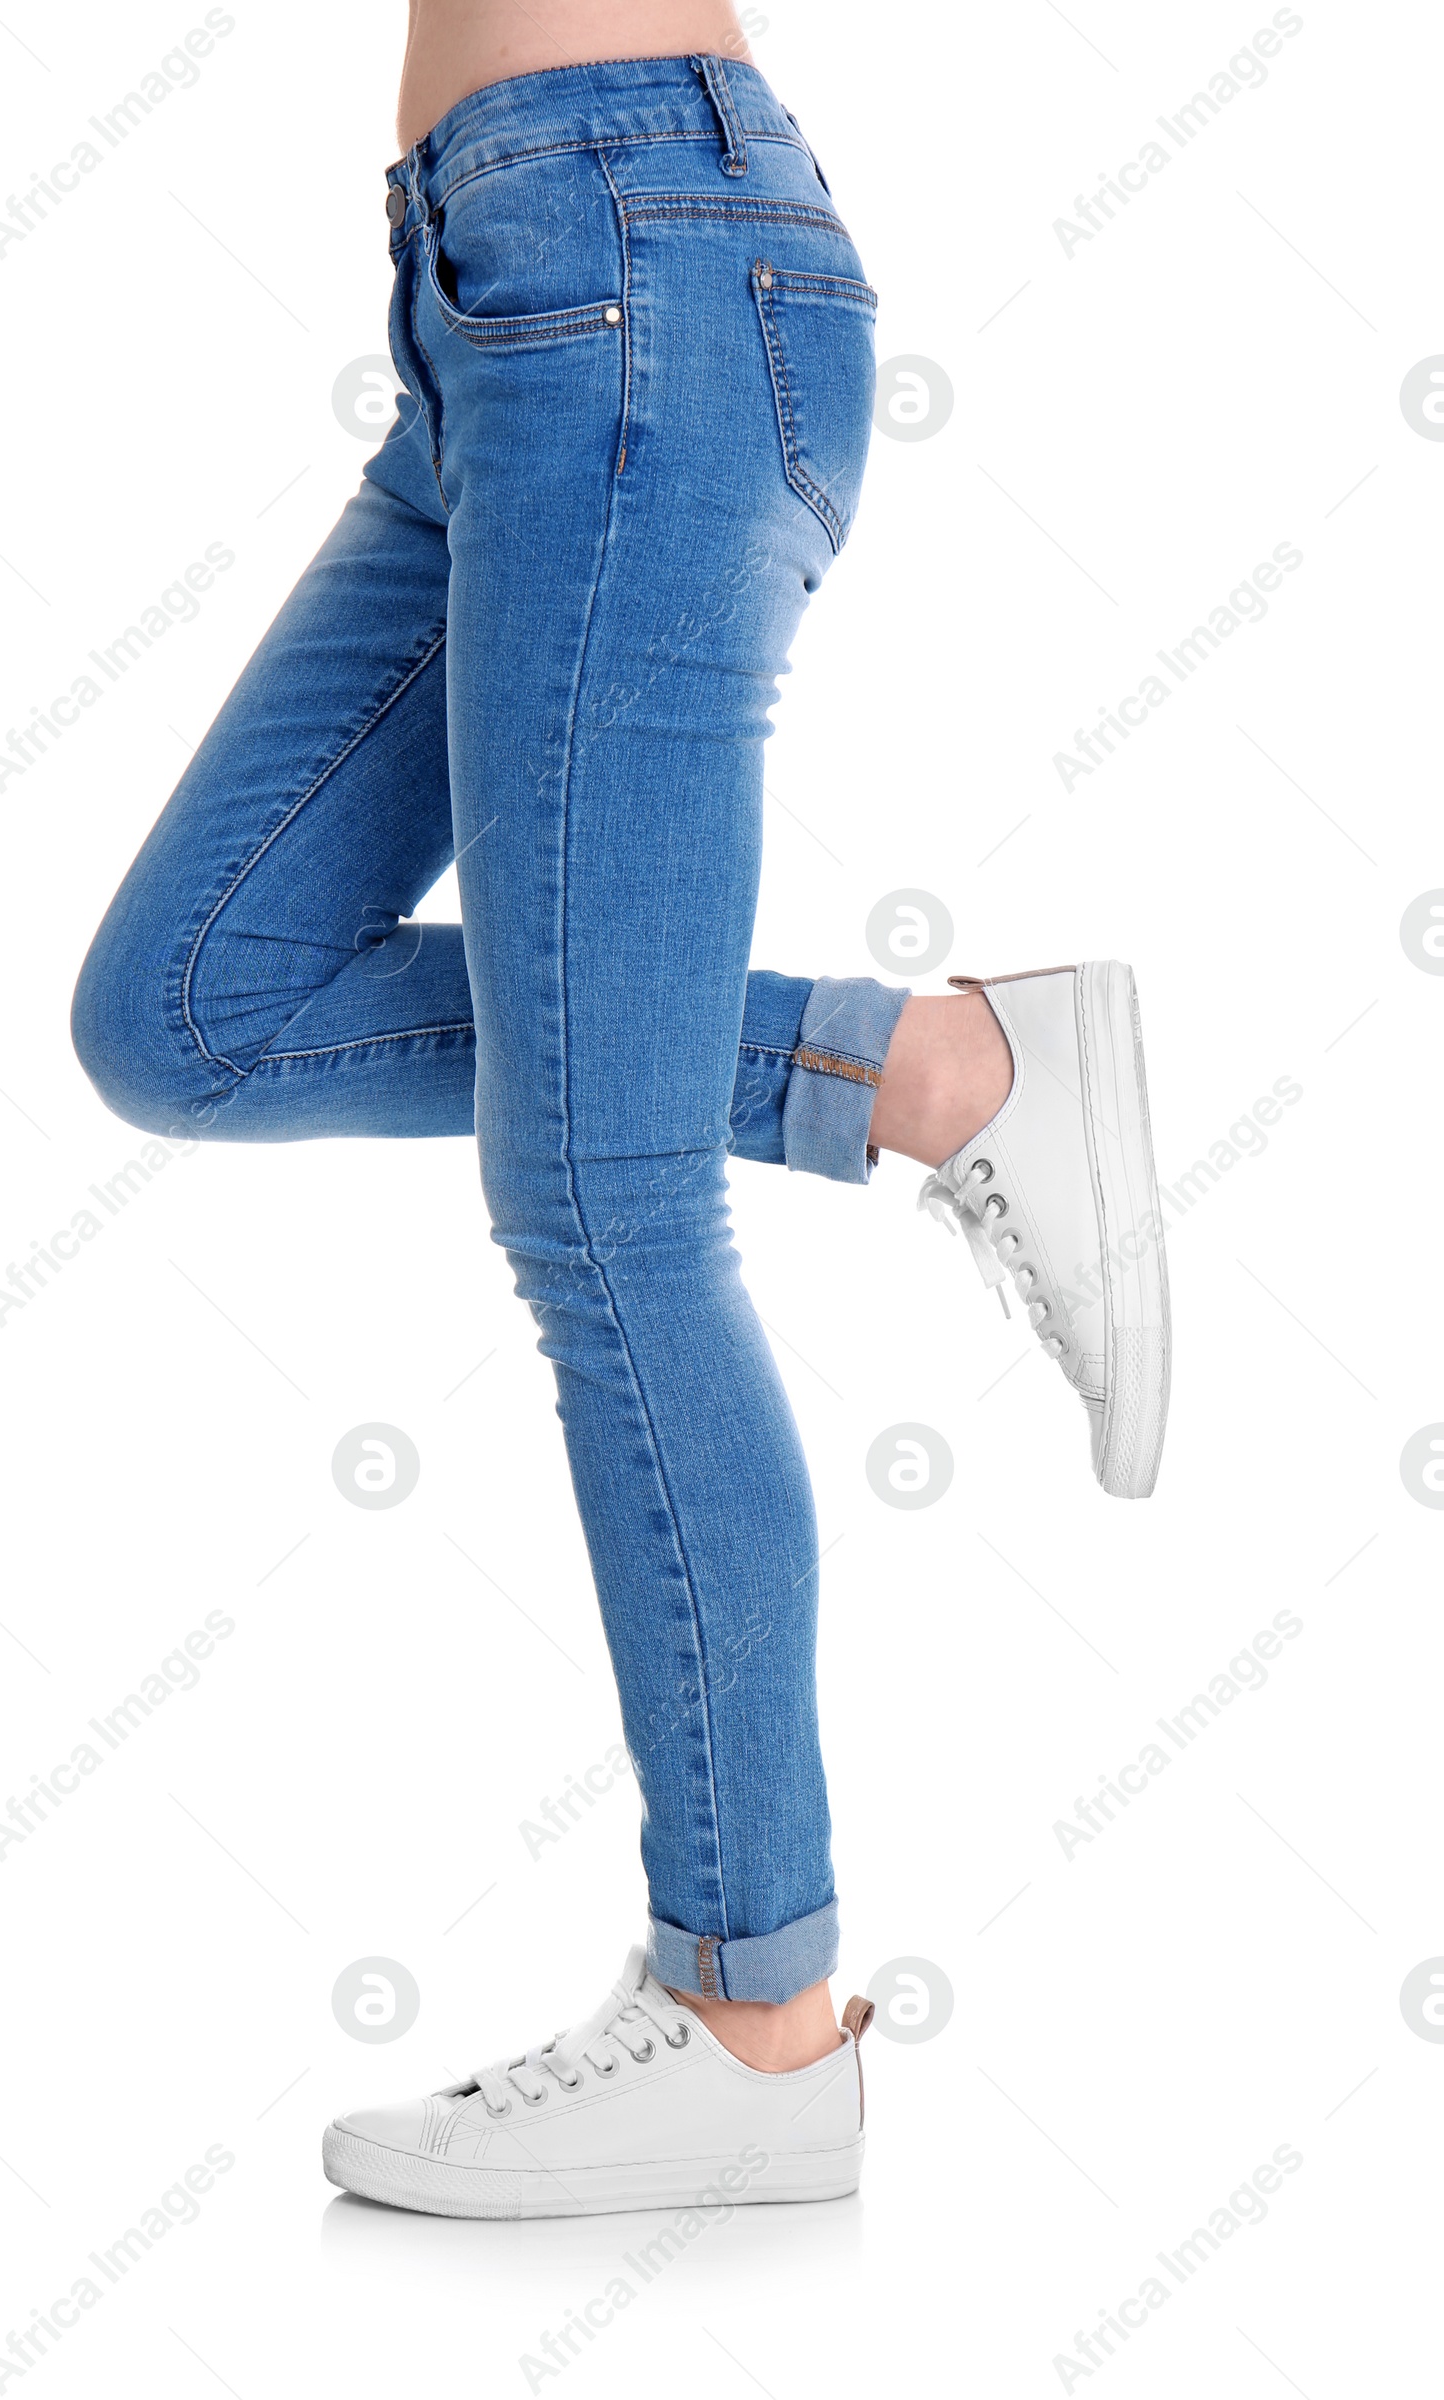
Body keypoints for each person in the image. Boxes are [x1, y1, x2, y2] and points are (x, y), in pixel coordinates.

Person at [70, 0, 1171, 2220]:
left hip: (625, 268)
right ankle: (917, 1069)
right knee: (189, 1008)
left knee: (604, 1202)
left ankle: (750, 2006)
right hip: (515, 297)